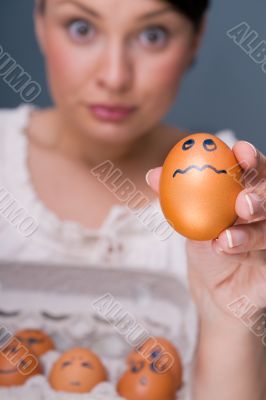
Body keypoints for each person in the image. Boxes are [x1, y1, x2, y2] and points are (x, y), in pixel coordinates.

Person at [0, 0, 265, 399]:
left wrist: (229, 316)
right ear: (39, 23)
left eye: (152, 35)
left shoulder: (236, 199)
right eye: (82, 28)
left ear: (196, 39)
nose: (114, 76)